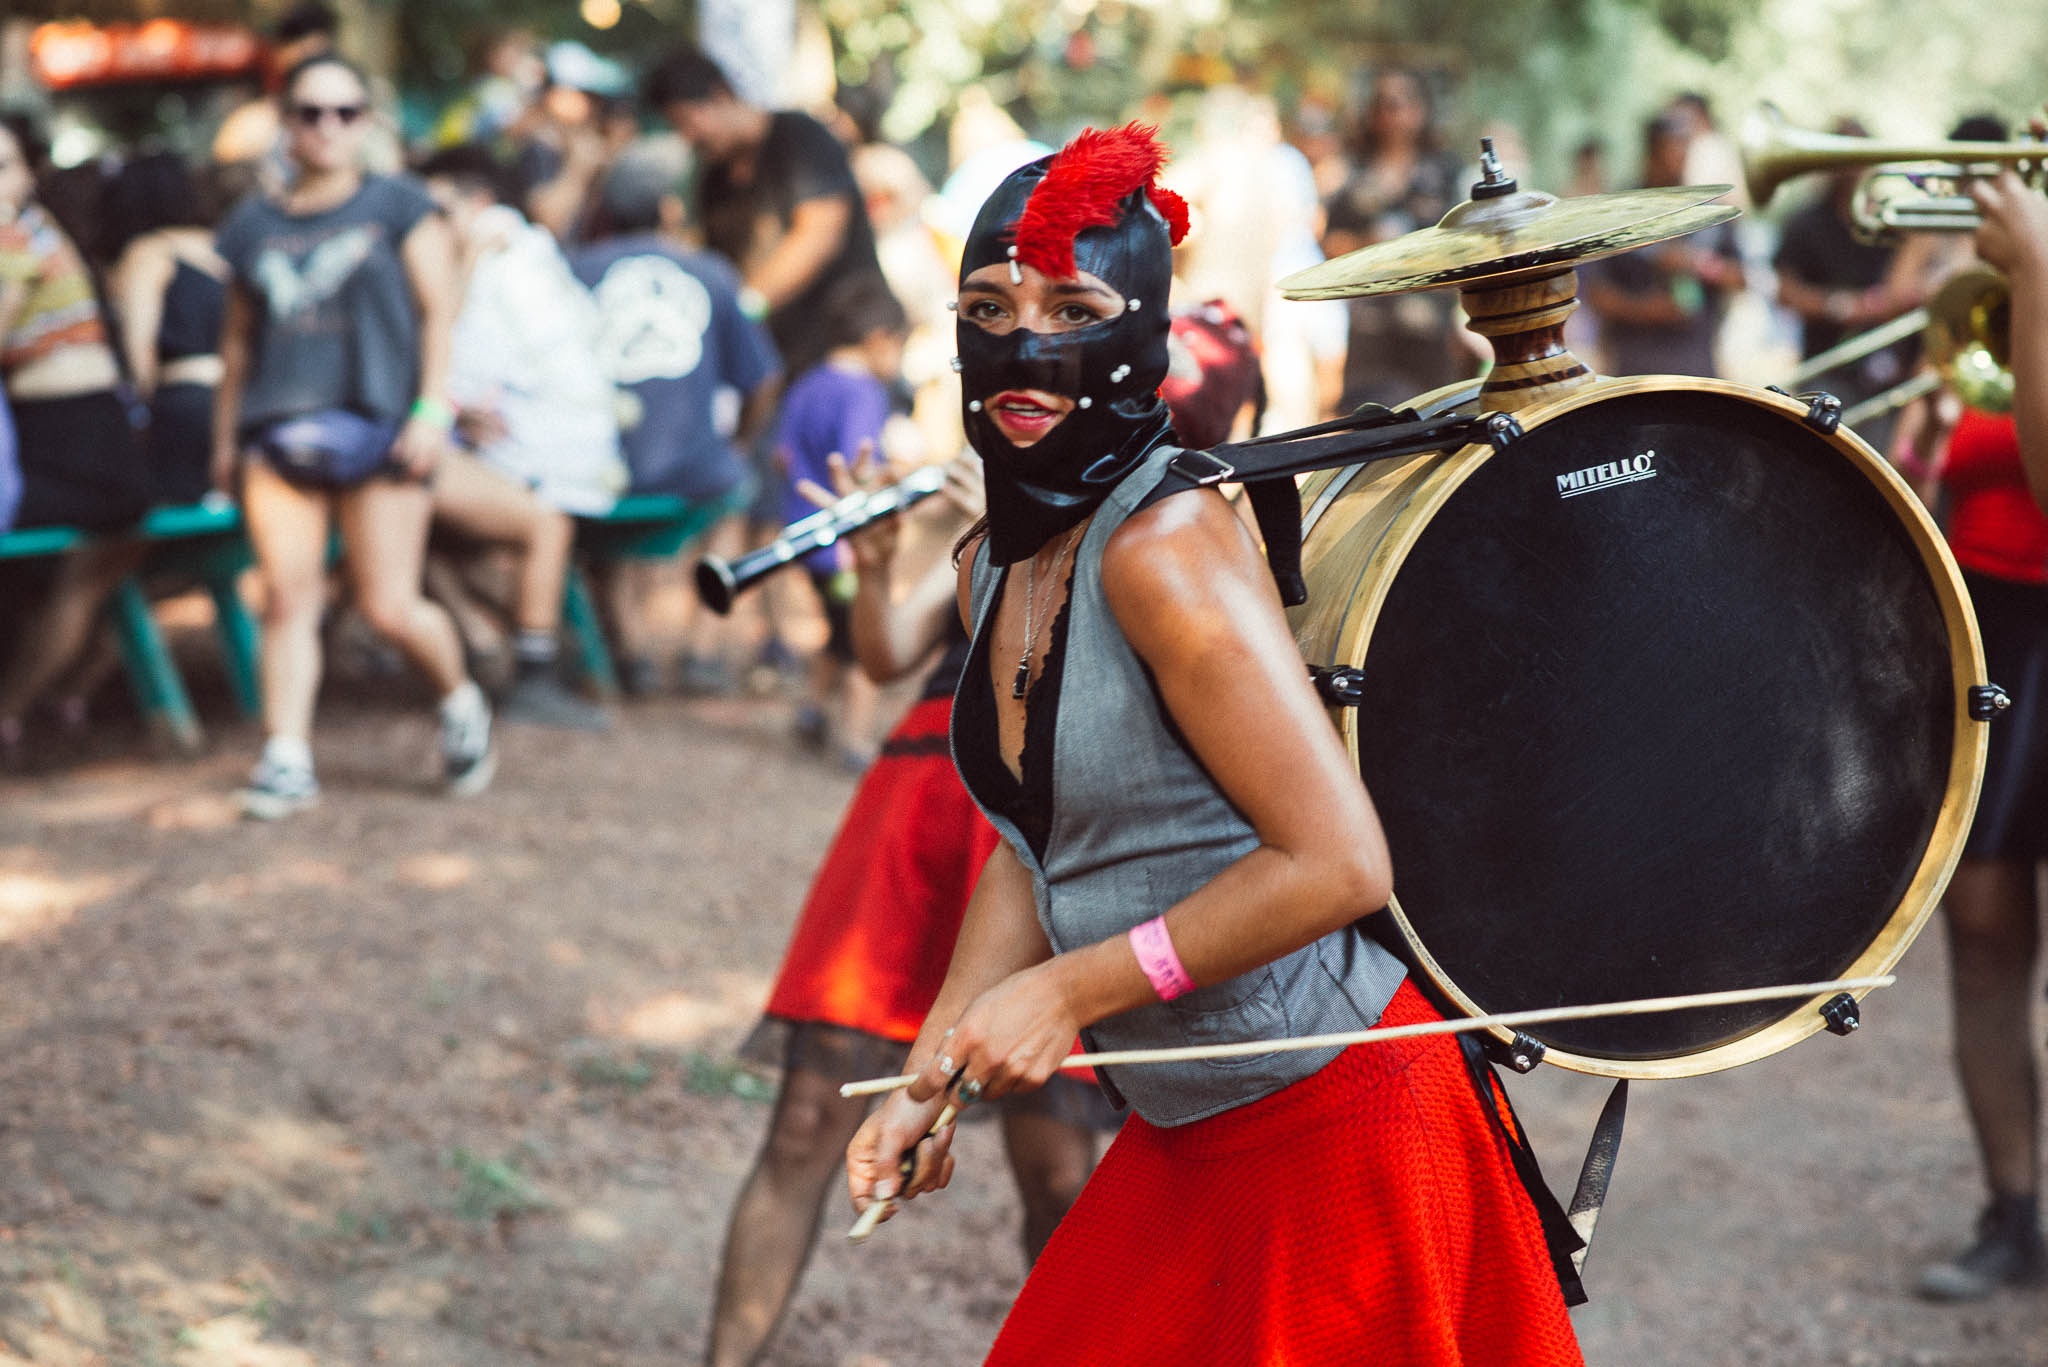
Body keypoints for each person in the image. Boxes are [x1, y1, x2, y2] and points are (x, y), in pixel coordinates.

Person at [843, 123, 1581, 1364]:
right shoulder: (997, 559)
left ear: (1141, 340)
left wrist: (1069, 990)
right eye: (987, 303)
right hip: (1193, 1125)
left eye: (1071, 305)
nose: (1021, 342)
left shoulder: (1162, 549)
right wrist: (935, 1067)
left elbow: (1340, 864)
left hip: (1339, 1115)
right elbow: (1041, 846)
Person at [707, 445, 1113, 1367]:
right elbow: (889, 648)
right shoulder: (992, 483)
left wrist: (1020, 534)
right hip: (919, 801)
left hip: (1042, 819)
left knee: (1056, 1166)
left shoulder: (1160, 504)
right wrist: (882, 560)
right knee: (809, 1115)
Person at [212, 54, 494, 817]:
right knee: (287, 600)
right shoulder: (252, 226)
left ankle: (461, 699)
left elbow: (440, 312)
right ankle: (285, 757)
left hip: (382, 426)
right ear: (286, 121)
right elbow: (238, 343)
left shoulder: (398, 205)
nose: (327, 127)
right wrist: (226, 437)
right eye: (310, 112)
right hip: (281, 429)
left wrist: (432, 411)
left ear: (365, 122)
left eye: (344, 112)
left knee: (390, 607)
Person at [1908, 109, 2048, 1299]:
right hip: (1994, 622)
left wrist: (2039, 273)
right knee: (1984, 929)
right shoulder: (1997, 292)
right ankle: (2011, 1209)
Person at [569, 139, 783, 695]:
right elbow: (764, 380)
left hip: (601, 473)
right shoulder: (710, 273)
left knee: (597, 516)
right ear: (671, 209)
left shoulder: (574, 270)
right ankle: (703, 650)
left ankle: (634, 649)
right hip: (696, 473)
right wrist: (737, 444)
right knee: (736, 494)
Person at [417, 144, 620, 730]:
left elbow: (465, 355)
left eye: (441, 210)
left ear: (478, 203)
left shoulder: (504, 257)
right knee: (540, 525)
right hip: (435, 448)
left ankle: (516, 651)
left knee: (538, 523)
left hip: (527, 450)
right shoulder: (497, 254)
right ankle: (521, 654)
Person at [0, 111, 152, 764]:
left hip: (72, 438)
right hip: (94, 440)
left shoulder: (13, 236)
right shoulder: (37, 231)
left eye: (1, 165)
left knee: (72, 575)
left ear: (27, 173)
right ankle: (39, 700)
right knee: (86, 577)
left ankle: (13, 707)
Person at [769, 280, 909, 765]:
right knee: (865, 645)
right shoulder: (864, 393)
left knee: (836, 628)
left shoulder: (807, 382)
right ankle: (856, 740)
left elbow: (782, 455)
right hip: (847, 547)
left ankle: (811, 710)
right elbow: (860, 464)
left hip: (805, 536)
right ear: (878, 339)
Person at [1321, 70, 1469, 410]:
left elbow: (1467, 245)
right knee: (1369, 429)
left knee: (1437, 424)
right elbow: (1330, 244)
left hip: (1430, 325)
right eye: (1384, 104)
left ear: (1420, 109)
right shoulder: (1352, 173)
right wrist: (1366, 243)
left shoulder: (1446, 173)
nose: (1393, 113)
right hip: (1370, 326)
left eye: (1401, 102)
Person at [104, 152, 230, 507]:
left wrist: (141, 412)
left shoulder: (148, 251)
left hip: (185, 407)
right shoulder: (223, 246)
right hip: (238, 402)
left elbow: (139, 350)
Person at [1582, 113, 1745, 378]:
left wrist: (1700, 265)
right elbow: (1596, 293)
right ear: (1650, 153)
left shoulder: (1709, 211)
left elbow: (1742, 279)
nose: (1677, 159)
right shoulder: (1615, 212)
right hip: (1634, 371)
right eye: (1670, 150)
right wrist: (1647, 311)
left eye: (1683, 149)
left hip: (1698, 369)